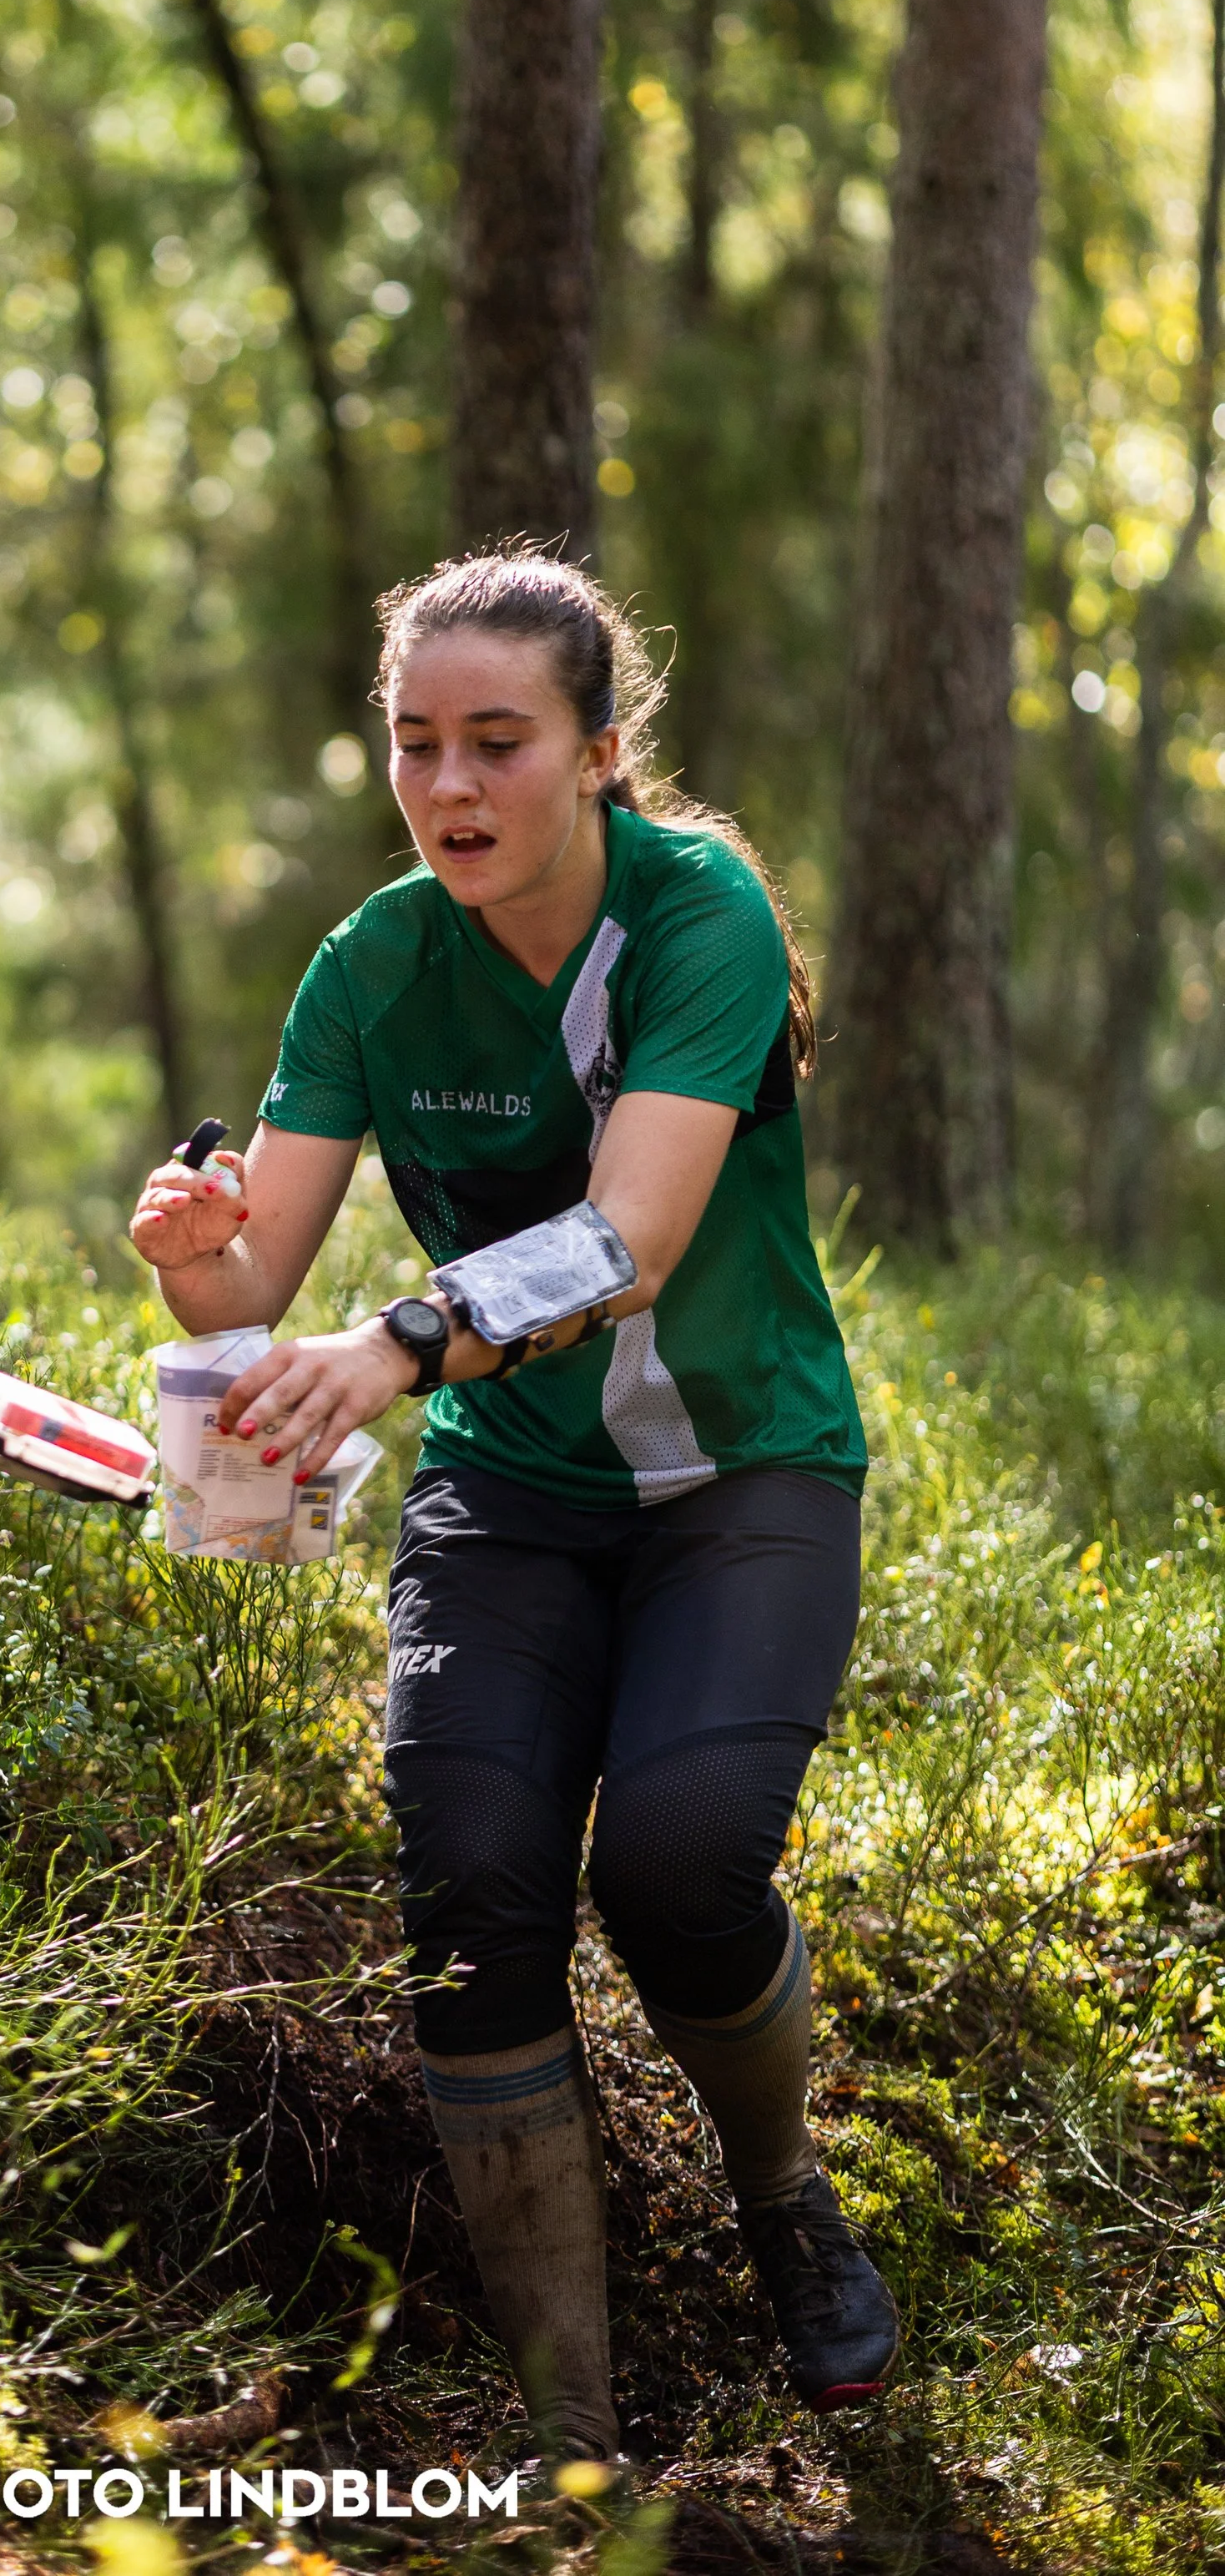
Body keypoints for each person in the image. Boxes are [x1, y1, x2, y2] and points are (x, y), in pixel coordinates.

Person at [128, 550, 895, 2461]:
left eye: (495, 742)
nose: (448, 785)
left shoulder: (692, 911)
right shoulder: (369, 960)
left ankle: (781, 2193)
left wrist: (398, 1339)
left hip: (743, 1471)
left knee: (677, 1854)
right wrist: (193, 1255)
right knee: (466, 1897)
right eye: (413, 743)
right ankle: (572, 2445)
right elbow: (248, 1293)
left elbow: (629, 1238)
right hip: (508, 1494)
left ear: (594, 751)